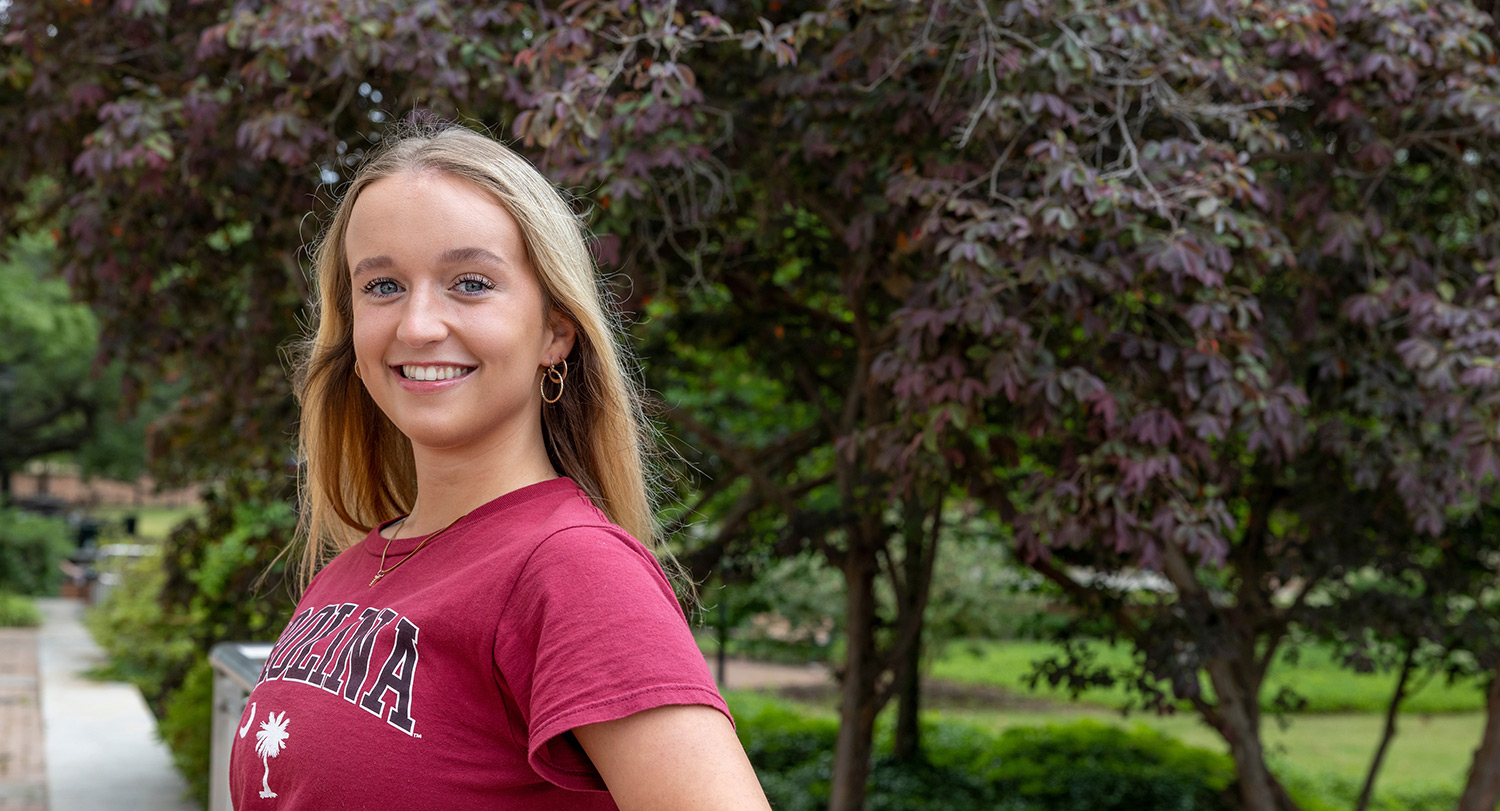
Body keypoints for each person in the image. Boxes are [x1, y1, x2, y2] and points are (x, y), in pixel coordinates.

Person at [228, 123, 772, 810]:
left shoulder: (573, 570)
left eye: (471, 283)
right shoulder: (355, 566)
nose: (418, 324)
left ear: (555, 330)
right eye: (385, 284)